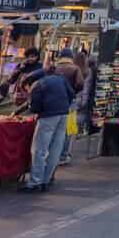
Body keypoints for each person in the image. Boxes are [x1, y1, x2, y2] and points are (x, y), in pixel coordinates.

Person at [23, 59, 74, 192]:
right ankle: (46, 180)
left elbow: (35, 107)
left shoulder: (37, 85)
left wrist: (37, 111)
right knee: (55, 149)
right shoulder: (61, 79)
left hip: (48, 117)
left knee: (39, 149)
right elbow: (71, 94)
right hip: (63, 114)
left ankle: (35, 182)